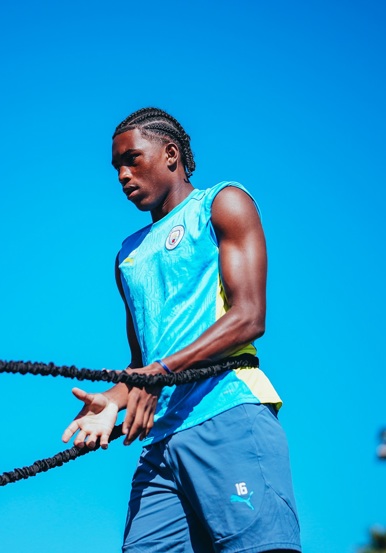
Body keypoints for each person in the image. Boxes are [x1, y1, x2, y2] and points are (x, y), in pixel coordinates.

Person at [61, 107, 301, 553]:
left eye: (132, 159)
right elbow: (143, 362)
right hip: (162, 442)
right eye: (116, 166)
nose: (122, 175)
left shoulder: (222, 203)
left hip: (228, 412)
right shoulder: (127, 256)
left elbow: (250, 317)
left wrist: (163, 370)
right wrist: (113, 400)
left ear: (171, 154)